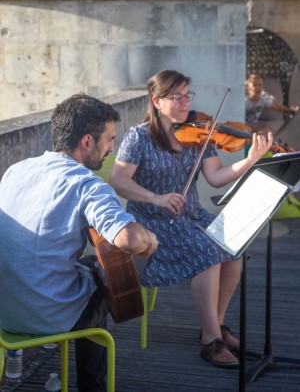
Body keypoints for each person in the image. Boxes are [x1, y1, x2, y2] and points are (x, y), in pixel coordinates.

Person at [109, 69, 274, 369]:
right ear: (156, 101)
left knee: (233, 248)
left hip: (191, 214)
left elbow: (215, 177)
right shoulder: (139, 137)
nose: (185, 102)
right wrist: (155, 197)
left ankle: (215, 324)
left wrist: (248, 161)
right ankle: (211, 341)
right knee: (207, 251)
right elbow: (118, 180)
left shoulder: (202, 133)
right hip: (153, 222)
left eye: (188, 95)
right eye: (177, 96)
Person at [0, 94, 158, 392]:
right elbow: (128, 239)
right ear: (87, 141)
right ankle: (92, 386)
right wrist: (150, 239)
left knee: (91, 268)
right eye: (109, 139)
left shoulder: (15, 171)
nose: (112, 147)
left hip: (5, 311)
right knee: (105, 280)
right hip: (46, 316)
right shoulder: (87, 185)